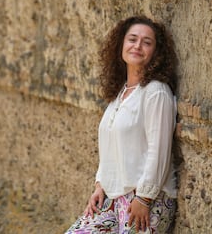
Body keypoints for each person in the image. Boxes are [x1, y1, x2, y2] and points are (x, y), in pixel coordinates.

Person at [65, 15, 178, 233]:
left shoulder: (156, 92)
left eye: (147, 42)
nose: (138, 46)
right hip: (113, 197)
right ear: (121, 45)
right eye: (132, 39)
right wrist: (100, 185)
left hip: (149, 198)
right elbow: (111, 149)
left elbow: (159, 150)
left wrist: (144, 198)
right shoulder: (120, 95)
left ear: (156, 52)